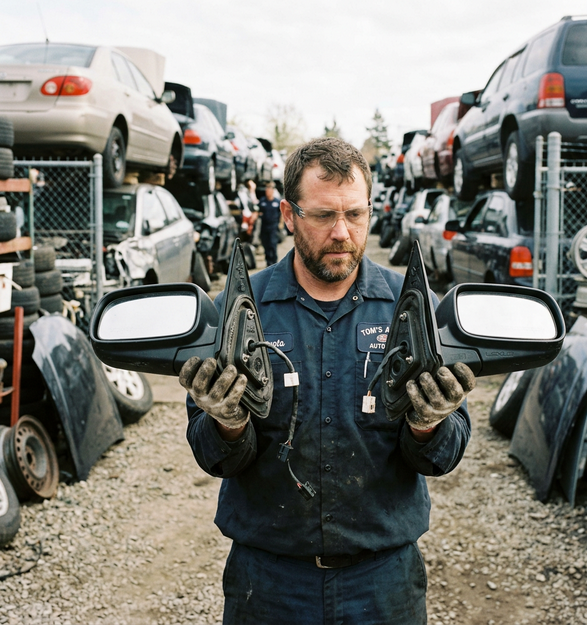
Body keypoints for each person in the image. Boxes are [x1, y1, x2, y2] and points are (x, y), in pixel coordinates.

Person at [180, 137, 474, 624]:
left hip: (384, 583)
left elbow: (443, 455)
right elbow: (213, 456)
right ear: (289, 215)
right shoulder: (238, 312)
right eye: (322, 216)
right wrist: (227, 421)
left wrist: (428, 423)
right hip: (269, 584)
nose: (342, 232)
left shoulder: (415, 309)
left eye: (355, 215)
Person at [258, 180, 282, 266]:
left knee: (272, 244)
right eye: (266, 190)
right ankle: (268, 262)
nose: (267, 192)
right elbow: (259, 212)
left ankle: (274, 262)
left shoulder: (276, 201)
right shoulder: (262, 201)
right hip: (264, 226)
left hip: (273, 226)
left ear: (272, 191)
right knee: (266, 245)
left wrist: (281, 223)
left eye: (269, 190)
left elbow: (281, 214)